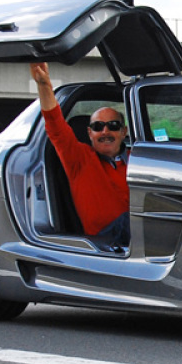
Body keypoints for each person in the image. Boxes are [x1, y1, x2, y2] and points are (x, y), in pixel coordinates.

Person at [29, 62, 130, 249]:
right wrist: (44, 85)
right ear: (90, 134)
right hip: (104, 238)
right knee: (131, 220)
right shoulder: (79, 158)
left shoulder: (138, 160)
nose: (105, 132)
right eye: (98, 127)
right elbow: (55, 126)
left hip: (141, 233)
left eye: (113, 126)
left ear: (123, 132)